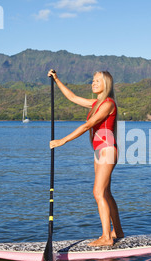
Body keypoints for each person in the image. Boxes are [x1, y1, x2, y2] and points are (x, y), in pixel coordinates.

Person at [48, 69, 124, 247]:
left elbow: (88, 124)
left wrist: (62, 141)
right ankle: (117, 231)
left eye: (97, 81)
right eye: (93, 80)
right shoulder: (96, 103)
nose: (93, 83)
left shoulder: (108, 104)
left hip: (107, 150)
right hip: (100, 151)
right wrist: (57, 79)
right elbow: (73, 98)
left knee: (97, 192)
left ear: (106, 84)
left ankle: (106, 237)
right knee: (105, 193)